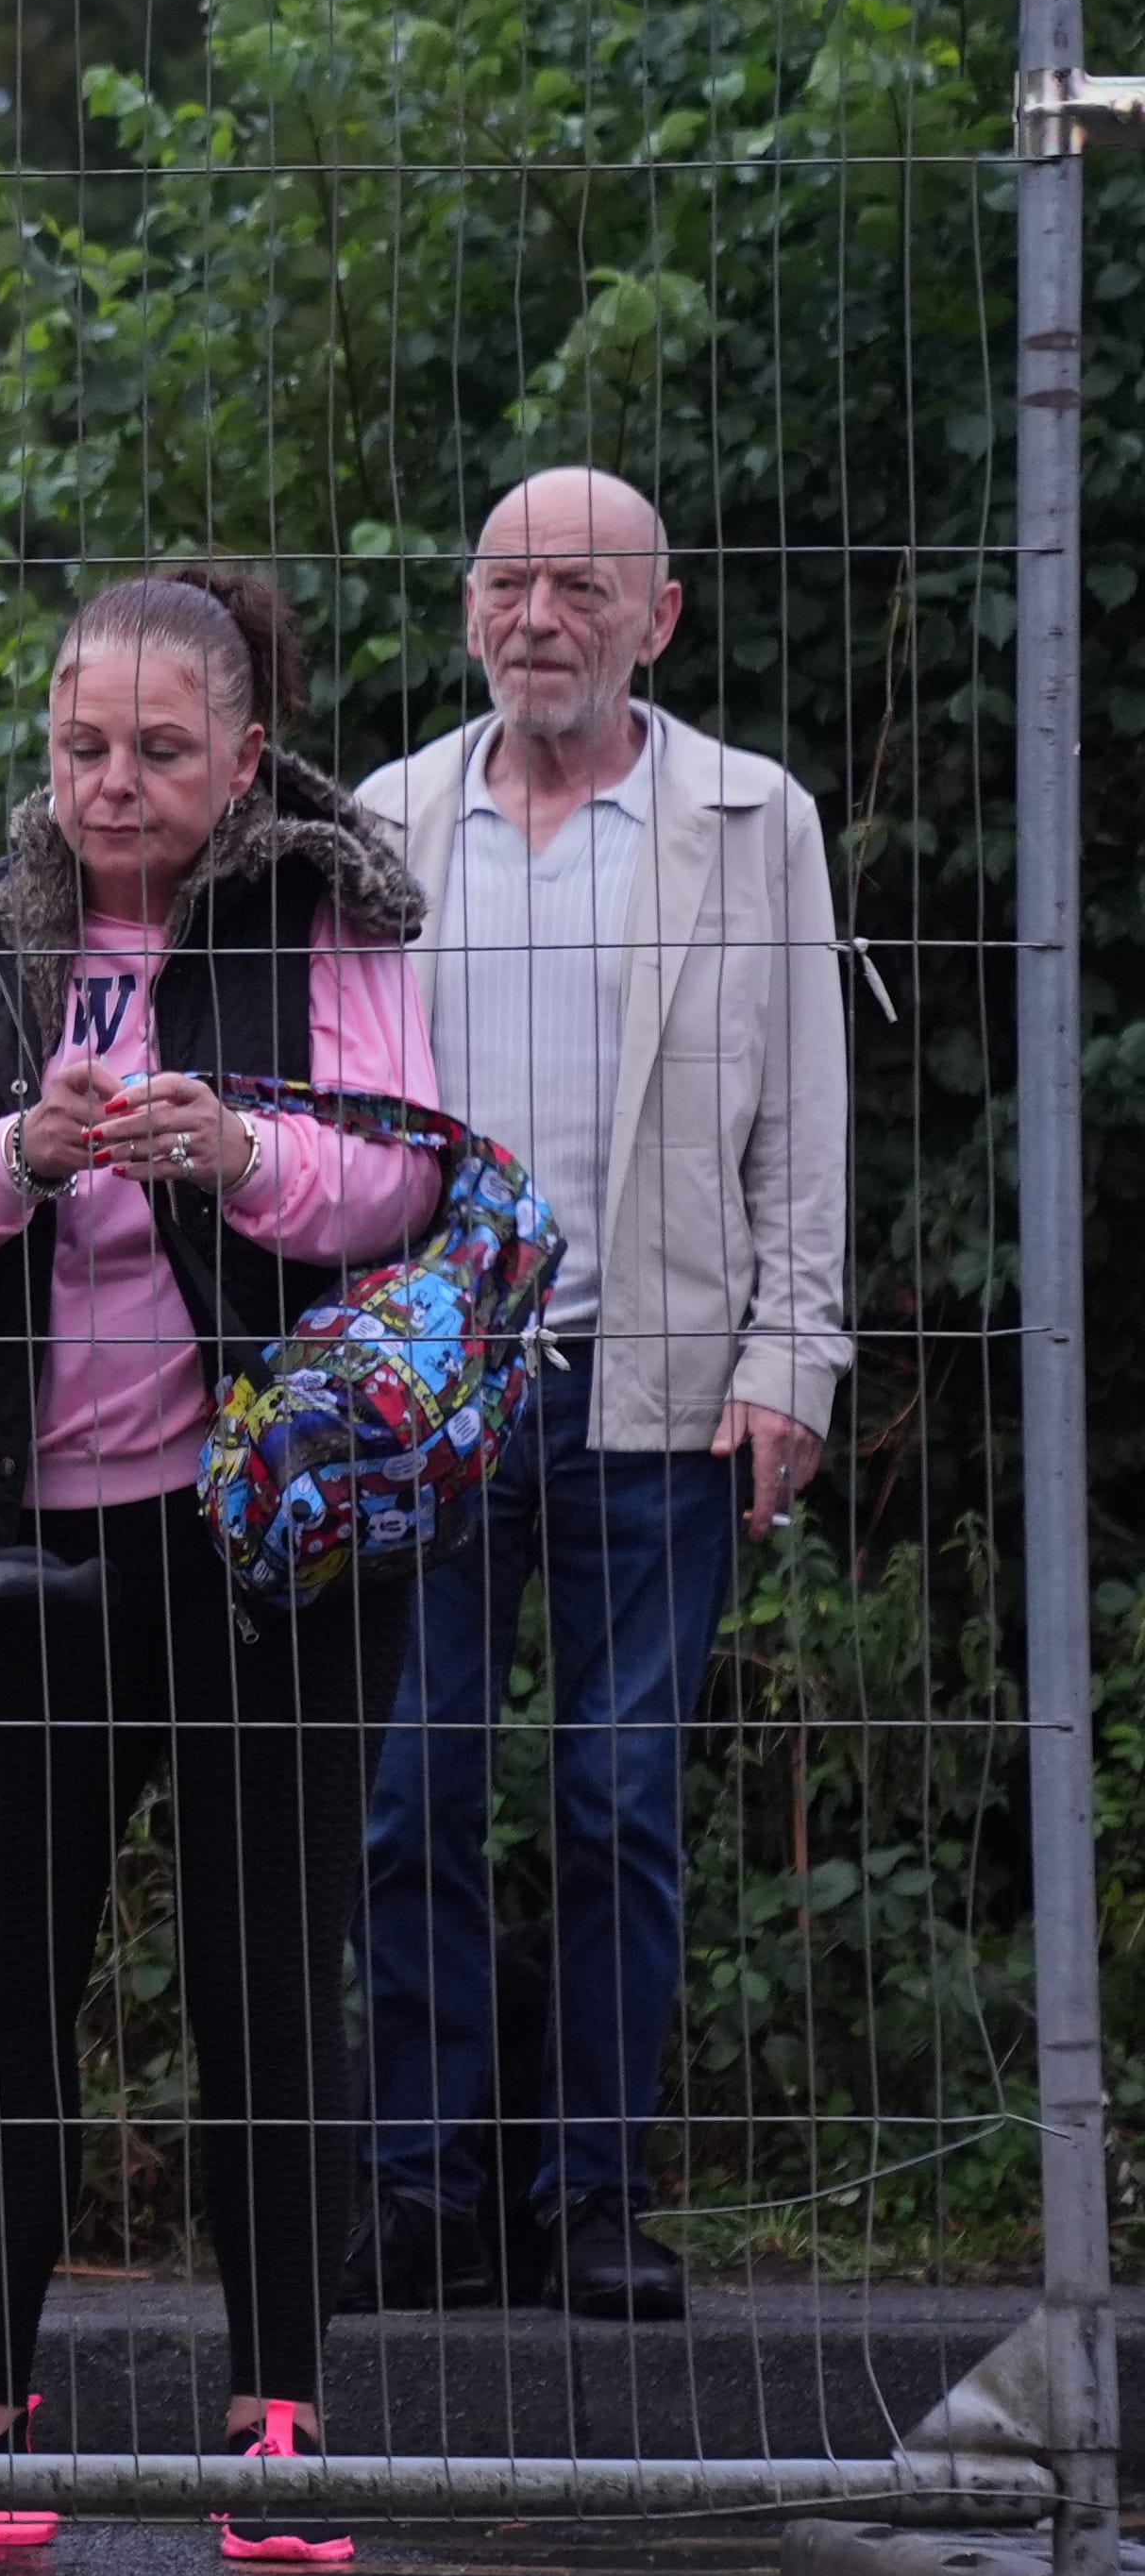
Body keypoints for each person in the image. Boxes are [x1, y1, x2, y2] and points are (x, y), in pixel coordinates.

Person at [0, 569, 433, 2561]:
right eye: (85, 745)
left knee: (265, 1968)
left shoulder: (322, 918)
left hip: (265, 1534)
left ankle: (280, 2417)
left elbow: (407, 1162)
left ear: (246, 757)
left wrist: (242, 1153)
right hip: (24, 1538)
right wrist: (24, 1155)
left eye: (163, 751)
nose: (115, 783)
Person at [348, 471, 851, 2324]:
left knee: (617, 1803)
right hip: (435, 1381)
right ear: (471, 605)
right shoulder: (388, 817)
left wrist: (795, 1357)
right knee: (410, 1794)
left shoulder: (745, 819)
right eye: (509, 580)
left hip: (659, 1379)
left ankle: (592, 2198)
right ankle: (420, 2189)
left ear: (661, 615)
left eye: (582, 583)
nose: (539, 614)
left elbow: (803, 1115)